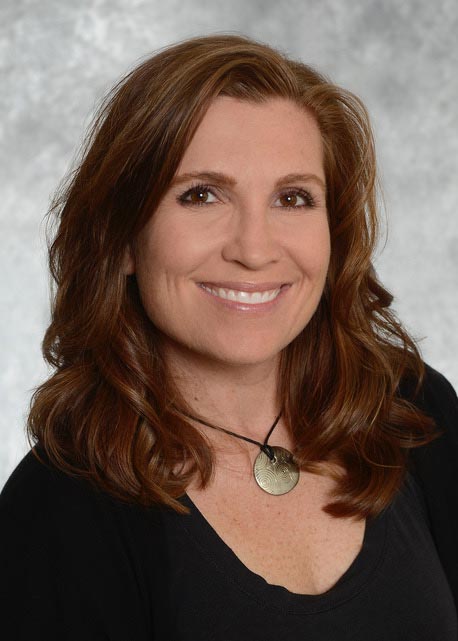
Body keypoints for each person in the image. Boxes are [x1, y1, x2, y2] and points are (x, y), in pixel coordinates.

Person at [1, 34, 457, 640]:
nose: (254, 249)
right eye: (201, 195)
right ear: (123, 237)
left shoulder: (413, 410)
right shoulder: (58, 508)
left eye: (293, 198)